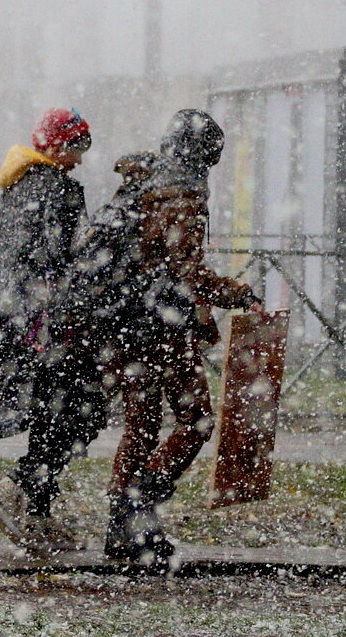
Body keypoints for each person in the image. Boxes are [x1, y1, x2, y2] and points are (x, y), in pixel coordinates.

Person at [103, 109, 262, 565]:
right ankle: (138, 505)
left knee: (142, 423)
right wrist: (237, 294)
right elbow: (185, 271)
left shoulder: (141, 182)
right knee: (196, 421)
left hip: (125, 323)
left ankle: (122, 524)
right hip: (163, 328)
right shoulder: (181, 196)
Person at [0, 107, 102, 555]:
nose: (82, 158)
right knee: (74, 412)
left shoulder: (19, 182)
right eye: (77, 147)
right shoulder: (55, 187)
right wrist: (94, 250)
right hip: (51, 323)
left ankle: (33, 509)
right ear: (57, 145)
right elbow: (58, 256)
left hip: (21, 320)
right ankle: (24, 497)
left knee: (53, 412)